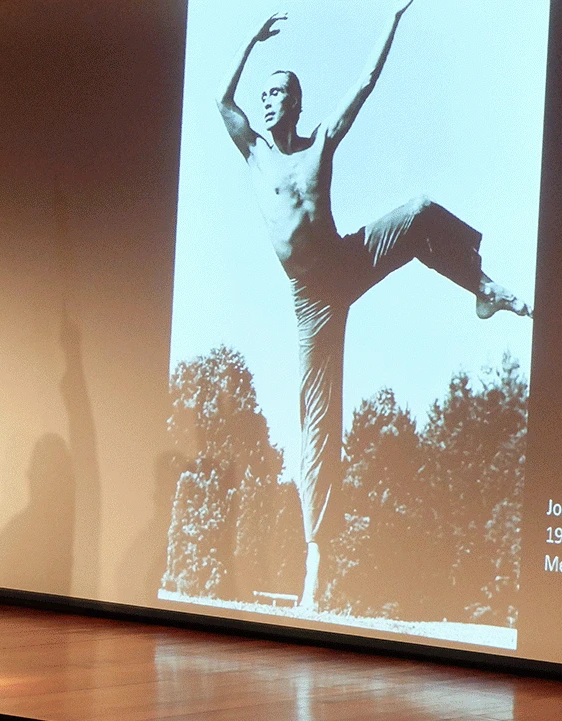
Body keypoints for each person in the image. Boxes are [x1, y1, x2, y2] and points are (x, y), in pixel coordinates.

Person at [216, 1, 532, 608]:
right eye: (265, 93)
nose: (267, 100)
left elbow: (363, 84)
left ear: (298, 104)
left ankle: (483, 288)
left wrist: (392, 19)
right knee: (317, 424)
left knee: (417, 212)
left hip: (345, 261)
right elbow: (221, 102)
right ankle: (317, 561)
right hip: (311, 302)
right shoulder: (255, 152)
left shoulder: (319, 145)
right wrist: (253, 42)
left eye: (279, 92)